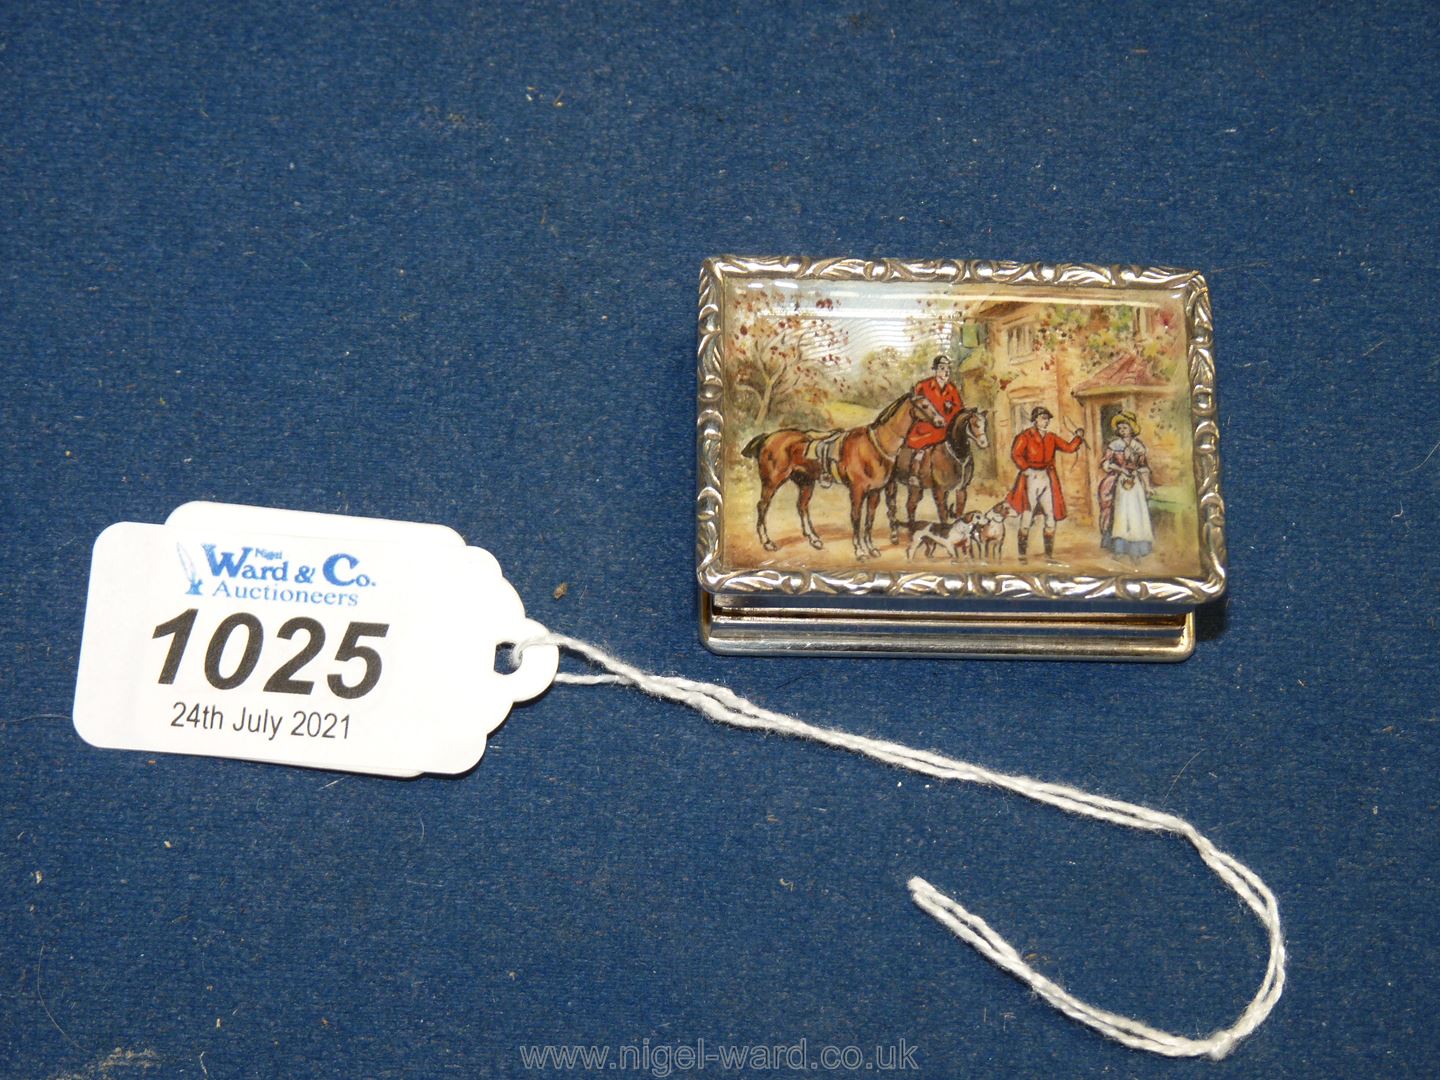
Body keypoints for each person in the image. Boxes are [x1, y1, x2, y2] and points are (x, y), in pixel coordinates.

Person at [1005, 406, 1084, 563]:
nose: (1045, 421)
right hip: (1030, 477)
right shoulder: (1025, 436)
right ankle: (1022, 555)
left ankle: (1048, 555)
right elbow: (1016, 454)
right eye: (1043, 418)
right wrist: (1025, 469)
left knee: (1050, 515)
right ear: (1035, 420)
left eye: (1047, 418)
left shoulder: (1051, 437)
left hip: (1047, 477)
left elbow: (1068, 448)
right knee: (1027, 514)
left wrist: (1078, 438)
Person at [894, 355, 964, 486]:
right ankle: (914, 472)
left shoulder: (952, 389)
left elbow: (959, 409)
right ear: (936, 370)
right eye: (942, 368)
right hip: (925, 427)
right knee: (919, 445)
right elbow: (916, 406)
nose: (946, 371)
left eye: (948, 368)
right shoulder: (923, 386)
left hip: (946, 428)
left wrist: (951, 409)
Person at [1096, 411, 1155, 563]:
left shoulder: (1138, 446)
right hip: (1120, 484)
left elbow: (1143, 468)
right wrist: (1119, 469)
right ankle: (1120, 548)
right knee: (1121, 514)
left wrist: (1147, 486)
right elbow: (1105, 463)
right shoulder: (1114, 446)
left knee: (1136, 514)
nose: (1122, 431)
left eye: (1125, 427)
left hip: (1135, 485)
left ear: (1132, 428)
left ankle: (1136, 550)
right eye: (1120, 428)